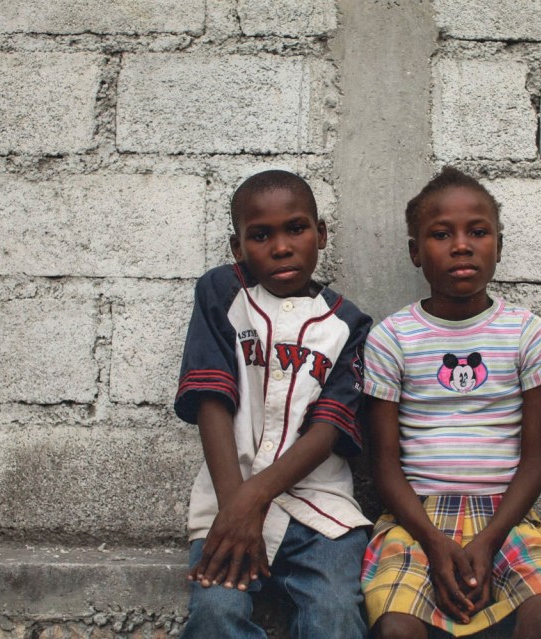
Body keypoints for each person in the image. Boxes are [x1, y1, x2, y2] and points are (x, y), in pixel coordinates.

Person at [360, 167, 541, 639]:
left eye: (478, 232)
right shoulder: (392, 338)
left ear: (498, 243)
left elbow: (536, 459)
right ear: (415, 252)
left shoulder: (528, 335)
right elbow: (385, 463)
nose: (462, 245)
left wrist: (491, 537)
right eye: (441, 234)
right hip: (416, 517)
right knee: (396, 627)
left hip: (508, 514)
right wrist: (435, 544)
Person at [174, 169, 372, 638]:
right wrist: (235, 510)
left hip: (321, 511)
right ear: (237, 247)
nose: (281, 247)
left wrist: (254, 499)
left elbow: (327, 432)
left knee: (336, 616)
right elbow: (211, 401)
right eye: (260, 235)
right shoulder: (222, 294)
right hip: (226, 502)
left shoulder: (350, 325)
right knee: (215, 615)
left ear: (321, 234)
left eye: (296, 228)